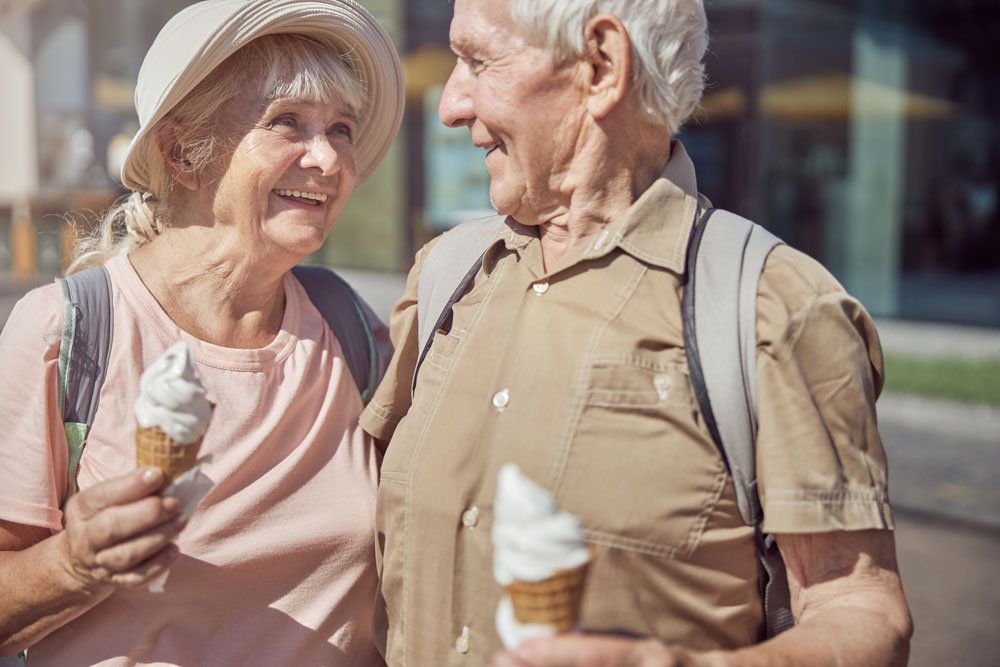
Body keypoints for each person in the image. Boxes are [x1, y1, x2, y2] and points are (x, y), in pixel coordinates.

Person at [359, 0, 913, 665]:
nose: (450, 104)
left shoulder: (775, 307)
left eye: (479, 60)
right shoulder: (444, 274)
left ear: (601, 65)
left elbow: (860, 607)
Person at [0, 1, 404, 665]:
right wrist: (72, 565)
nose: (328, 159)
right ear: (182, 154)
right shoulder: (65, 331)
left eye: (341, 129)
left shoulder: (350, 328)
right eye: (287, 124)